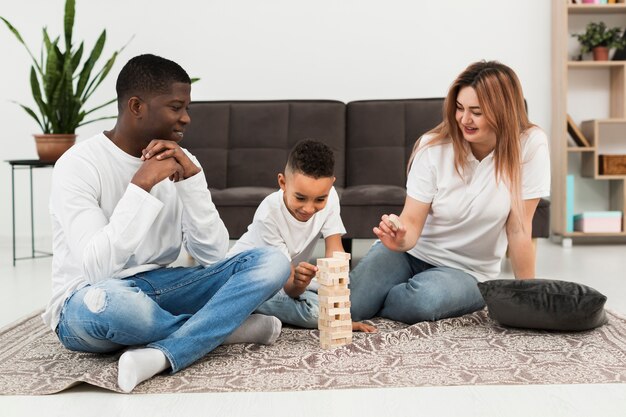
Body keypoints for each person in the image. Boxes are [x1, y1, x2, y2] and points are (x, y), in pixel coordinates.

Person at [42, 54, 291, 393]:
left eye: (186, 108)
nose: (185, 119)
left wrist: (192, 184)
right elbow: (96, 268)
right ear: (136, 106)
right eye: (176, 107)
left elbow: (215, 256)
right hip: (88, 298)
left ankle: (166, 350)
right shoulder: (79, 165)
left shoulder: (182, 163)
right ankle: (225, 329)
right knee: (118, 306)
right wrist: (140, 187)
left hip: (164, 288)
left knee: (273, 261)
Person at [350, 60, 551, 324]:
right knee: (350, 308)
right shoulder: (432, 147)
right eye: (459, 108)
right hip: (410, 254)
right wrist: (397, 239)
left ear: (503, 111)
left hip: (468, 271)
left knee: (423, 302)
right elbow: (411, 222)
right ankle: (357, 295)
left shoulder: (530, 145)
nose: (464, 119)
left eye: (476, 112)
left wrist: (529, 298)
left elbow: (520, 228)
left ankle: (383, 296)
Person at [227, 139, 376, 332]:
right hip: (248, 279)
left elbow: (335, 250)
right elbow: (289, 286)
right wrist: (300, 284)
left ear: (331, 185)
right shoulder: (269, 214)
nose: (308, 208)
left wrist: (336, 290)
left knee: (347, 304)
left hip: (285, 281)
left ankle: (243, 310)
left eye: (319, 199)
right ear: (283, 182)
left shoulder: (330, 198)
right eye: (300, 198)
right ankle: (242, 305)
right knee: (316, 313)